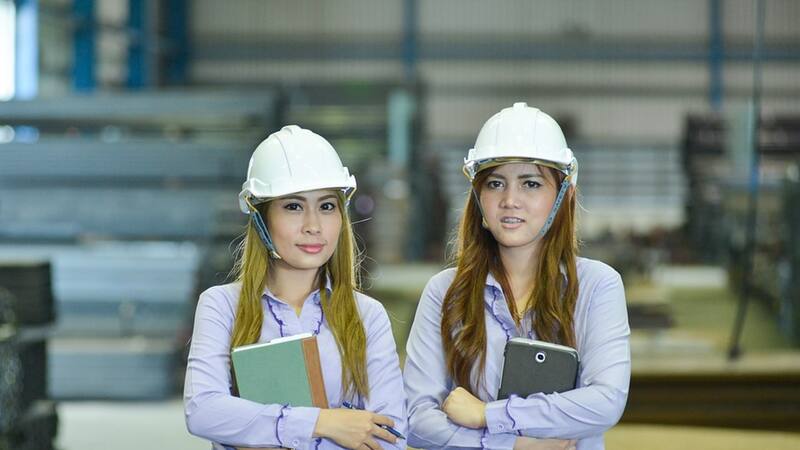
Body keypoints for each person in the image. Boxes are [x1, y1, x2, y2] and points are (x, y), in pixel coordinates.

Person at [404, 103, 630, 450]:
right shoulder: (444, 293)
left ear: (564, 196)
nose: (510, 200)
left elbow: (605, 402)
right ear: (478, 197)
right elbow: (417, 420)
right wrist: (513, 445)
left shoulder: (597, 286)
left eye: (531, 183)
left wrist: (488, 416)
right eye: (496, 183)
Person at [184, 125, 406, 450]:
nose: (313, 226)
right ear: (260, 218)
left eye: (327, 206)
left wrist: (258, 430)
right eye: (293, 206)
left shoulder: (367, 316)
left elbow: (390, 437)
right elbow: (203, 411)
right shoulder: (221, 305)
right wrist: (325, 423)